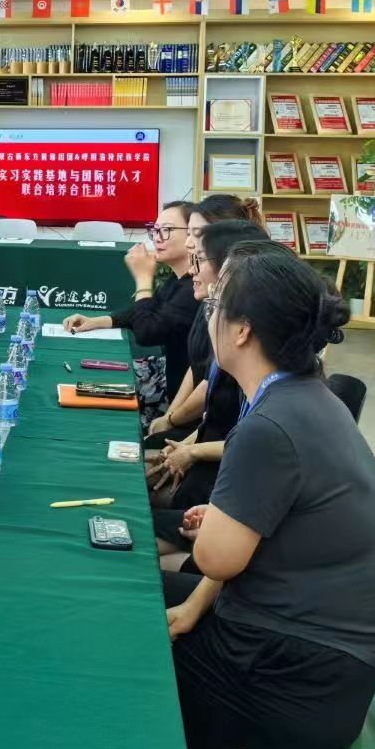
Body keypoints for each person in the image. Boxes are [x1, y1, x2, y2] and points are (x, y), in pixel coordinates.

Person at [165, 242, 375, 749]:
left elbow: (215, 558)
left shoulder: (268, 426)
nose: (208, 315)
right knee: (146, 598)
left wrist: (220, 523)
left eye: (216, 305)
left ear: (243, 331)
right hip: (332, 651)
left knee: (130, 665)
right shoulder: (309, 394)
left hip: (300, 675)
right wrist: (232, 519)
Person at [147, 219, 268, 534]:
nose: (192, 270)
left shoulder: (271, 389)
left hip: (218, 487)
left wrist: (191, 449)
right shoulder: (250, 361)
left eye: (198, 258)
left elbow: (228, 550)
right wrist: (184, 442)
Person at [62, 201, 198, 422]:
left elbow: (147, 332)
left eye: (167, 230)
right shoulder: (179, 279)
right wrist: (97, 321)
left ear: (194, 234)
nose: (157, 238)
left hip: (177, 396)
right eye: (155, 230)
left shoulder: (194, 287)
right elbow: (146, 310)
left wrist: (143, 277)